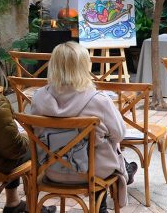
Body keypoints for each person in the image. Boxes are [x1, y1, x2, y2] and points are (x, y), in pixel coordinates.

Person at [31, 42, 136, 212]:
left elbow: (36, 131)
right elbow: (120, 134)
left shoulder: (38, 98)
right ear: (83, 66)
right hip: (92, 174)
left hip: (52, 171)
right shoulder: (99, 100)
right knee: (108, 145)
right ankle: (103, 201)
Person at [0, 91, 56, 213]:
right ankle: (33, 207)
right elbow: (14, 149)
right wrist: (29, 135)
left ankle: (13, 203)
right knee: (39, 146)